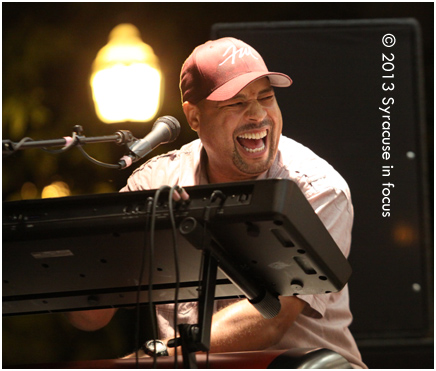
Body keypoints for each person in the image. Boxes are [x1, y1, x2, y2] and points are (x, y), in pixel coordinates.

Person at [66, 37, 366, 368]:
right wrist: (77, 268)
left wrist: (154, 359)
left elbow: (272, 319)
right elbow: (90, 317)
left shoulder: (317, 189)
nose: (257, 115)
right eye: (235, 104)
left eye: (266, 98)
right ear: (194, 117)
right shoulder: (155, 182)